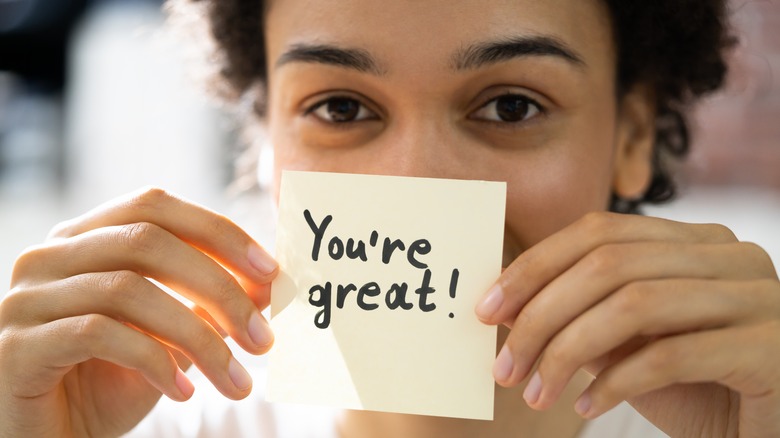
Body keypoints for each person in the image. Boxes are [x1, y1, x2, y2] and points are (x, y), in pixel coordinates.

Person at [1, 0, 778, 436]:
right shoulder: (135, 426)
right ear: (264, 142)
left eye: (512, 106)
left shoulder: (739, 412)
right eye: (340, 108)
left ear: (632, 136)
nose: (416, 182)